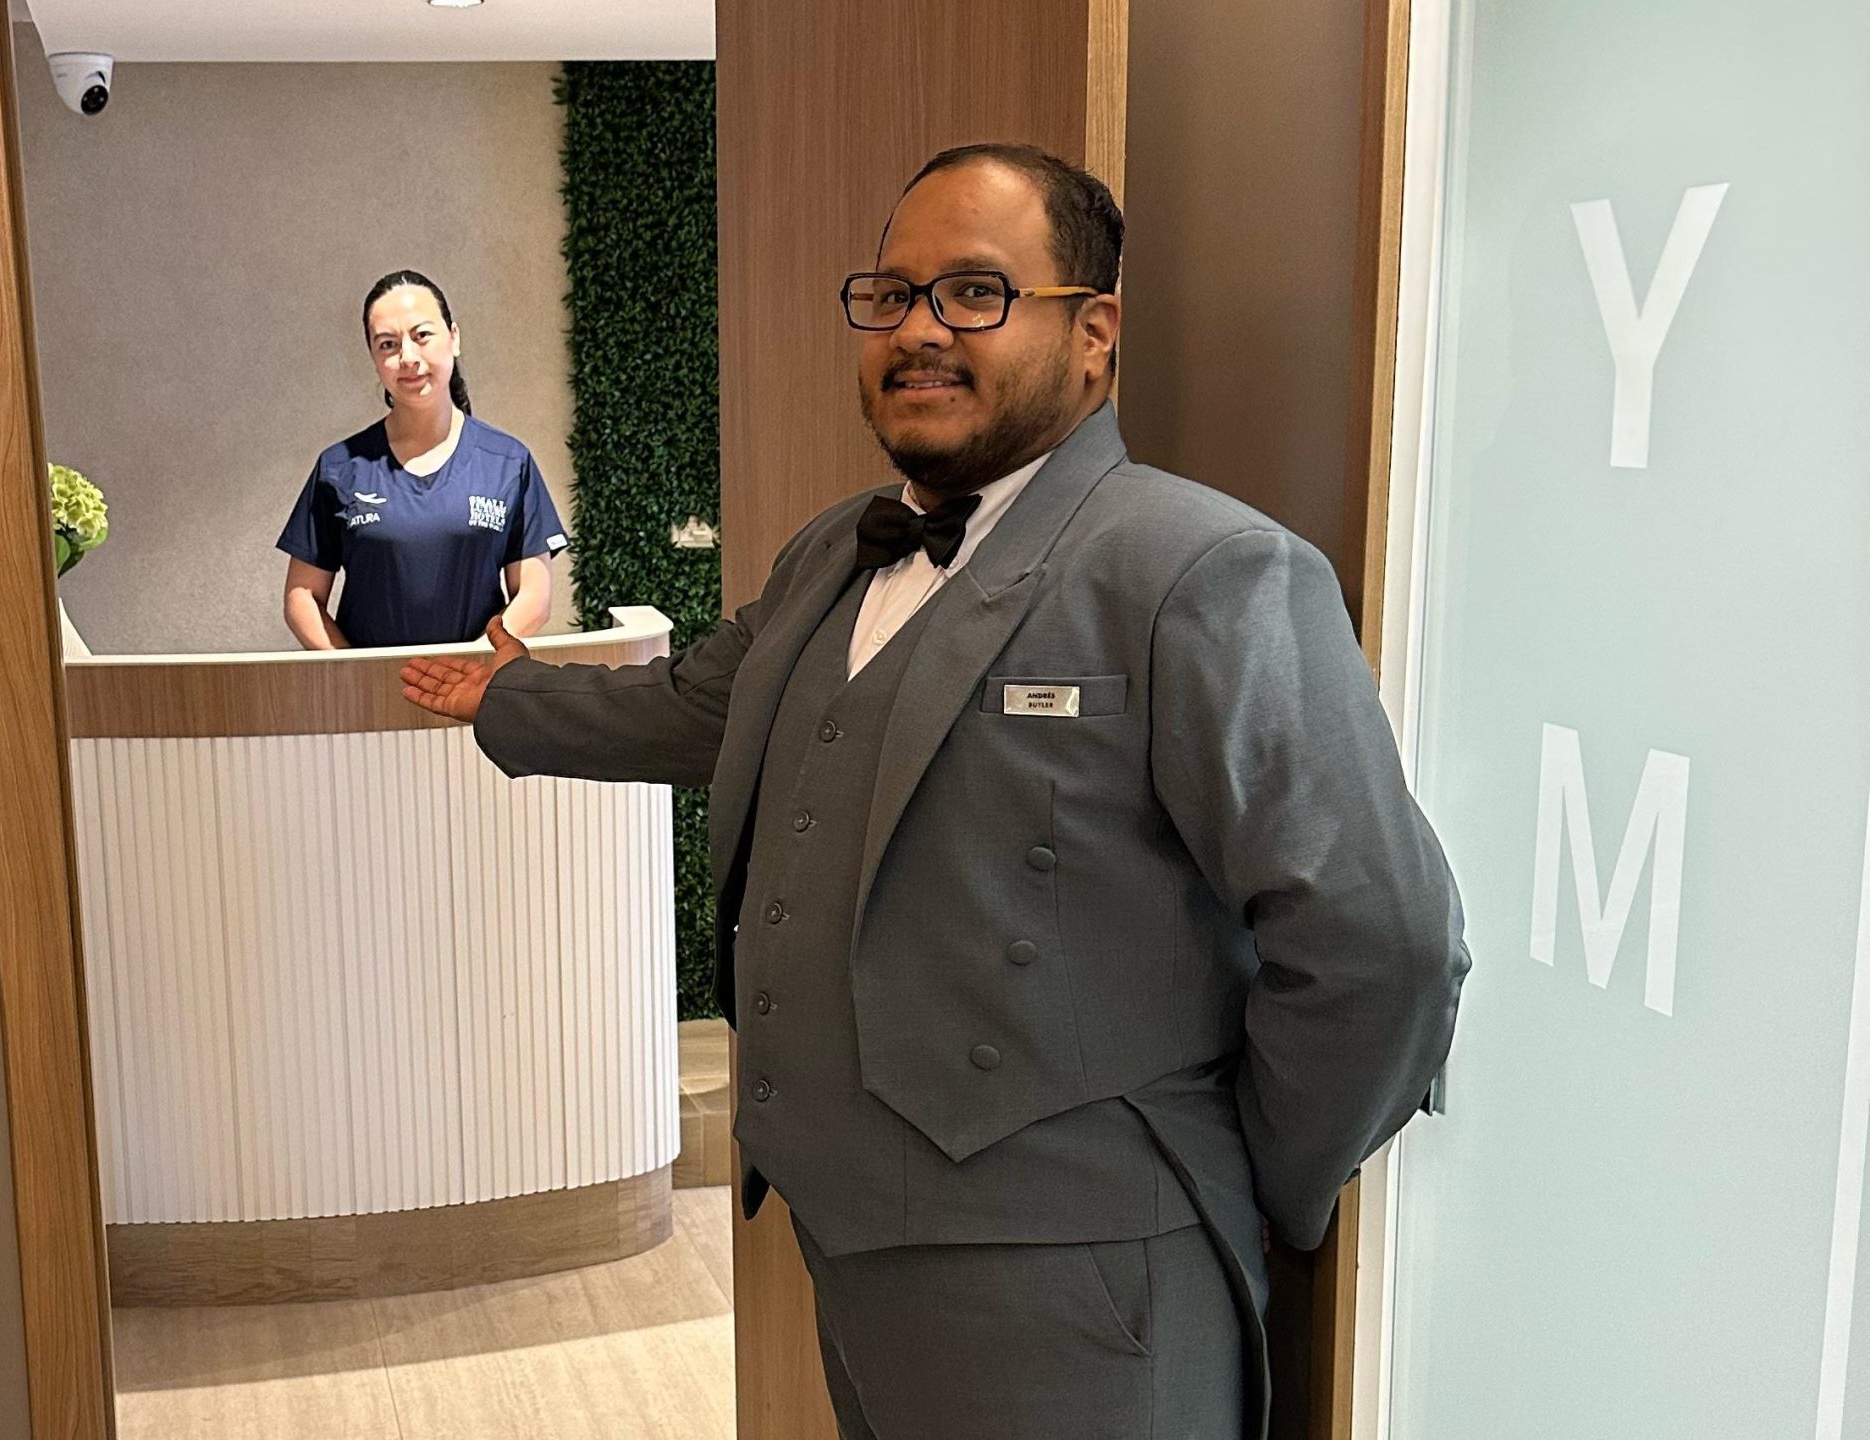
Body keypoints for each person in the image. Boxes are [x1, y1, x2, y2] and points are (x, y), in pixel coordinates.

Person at [400, 143, 1468, 1439]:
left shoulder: (1204, 571)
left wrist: (1244, 1181)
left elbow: (1383, 943)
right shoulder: (830, 558)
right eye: (894, 296)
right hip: (846, 1243)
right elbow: (705, 705)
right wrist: (506, 700)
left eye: (975, 293)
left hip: (1082, 1284)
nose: (919, 331)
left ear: (1094, 334)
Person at [278, 270, 568, 649]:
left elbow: (534, 595)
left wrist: (472, 665)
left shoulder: (508, 462)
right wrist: (356, 673)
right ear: (372, 356)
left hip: (476, 690)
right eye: (387, 344)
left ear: (454, 338)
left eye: (422, 335)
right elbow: (302, 597)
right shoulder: (340, 468)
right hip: (371, 697)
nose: (407, 357)